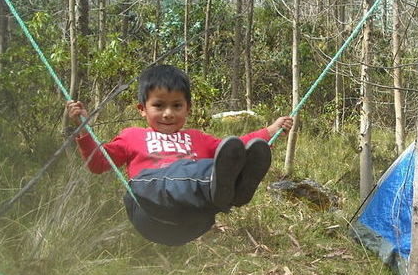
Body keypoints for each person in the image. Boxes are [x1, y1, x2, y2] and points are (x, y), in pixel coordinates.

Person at [66, 64, 294, 246]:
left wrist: (270, 131)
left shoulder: (198, 138)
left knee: (224, 157)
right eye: (159, 105)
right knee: (172, 176)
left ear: (188, 108)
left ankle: (234, 189)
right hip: (150, 209)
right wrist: (84, 130)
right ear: (142, 109)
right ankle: (221, 185)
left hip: (193, 220)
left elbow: (235, 148)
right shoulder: (131, 136)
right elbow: (97, 164)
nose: (168, 113)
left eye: (177, 105)